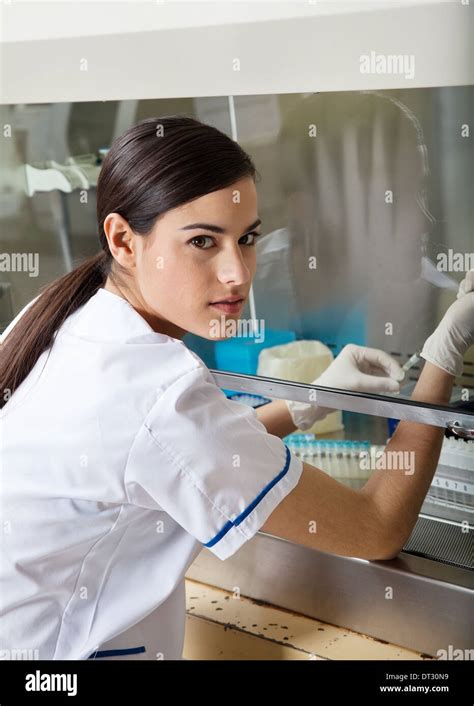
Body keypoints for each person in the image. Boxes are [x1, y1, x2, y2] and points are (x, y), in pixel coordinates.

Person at [0, 116, 472, 661]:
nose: (236, 273)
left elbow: (165, 456)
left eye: (246, 238)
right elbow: (377, 529)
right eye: (203, 241)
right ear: (124, 240)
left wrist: (301, 405)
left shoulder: (60, 315)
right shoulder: (160, 390)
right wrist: (444, 352)